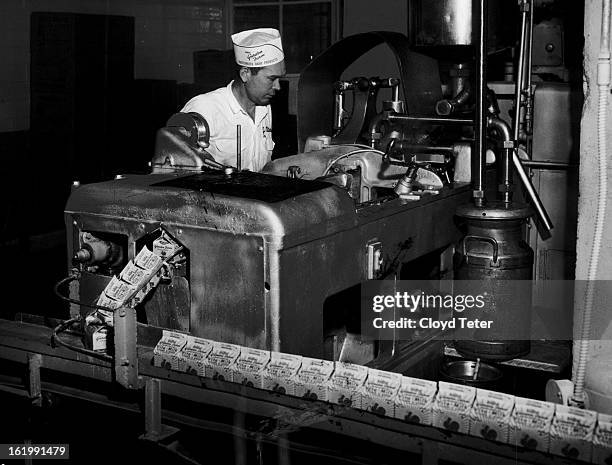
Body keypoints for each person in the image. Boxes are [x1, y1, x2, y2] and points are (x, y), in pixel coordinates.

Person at [180, 28, 286, 172]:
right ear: (245, 74)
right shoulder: (204, 108)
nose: (278, 86)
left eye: (280, 78)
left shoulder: (264, 108)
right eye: (271, 79)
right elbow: (177, 169)